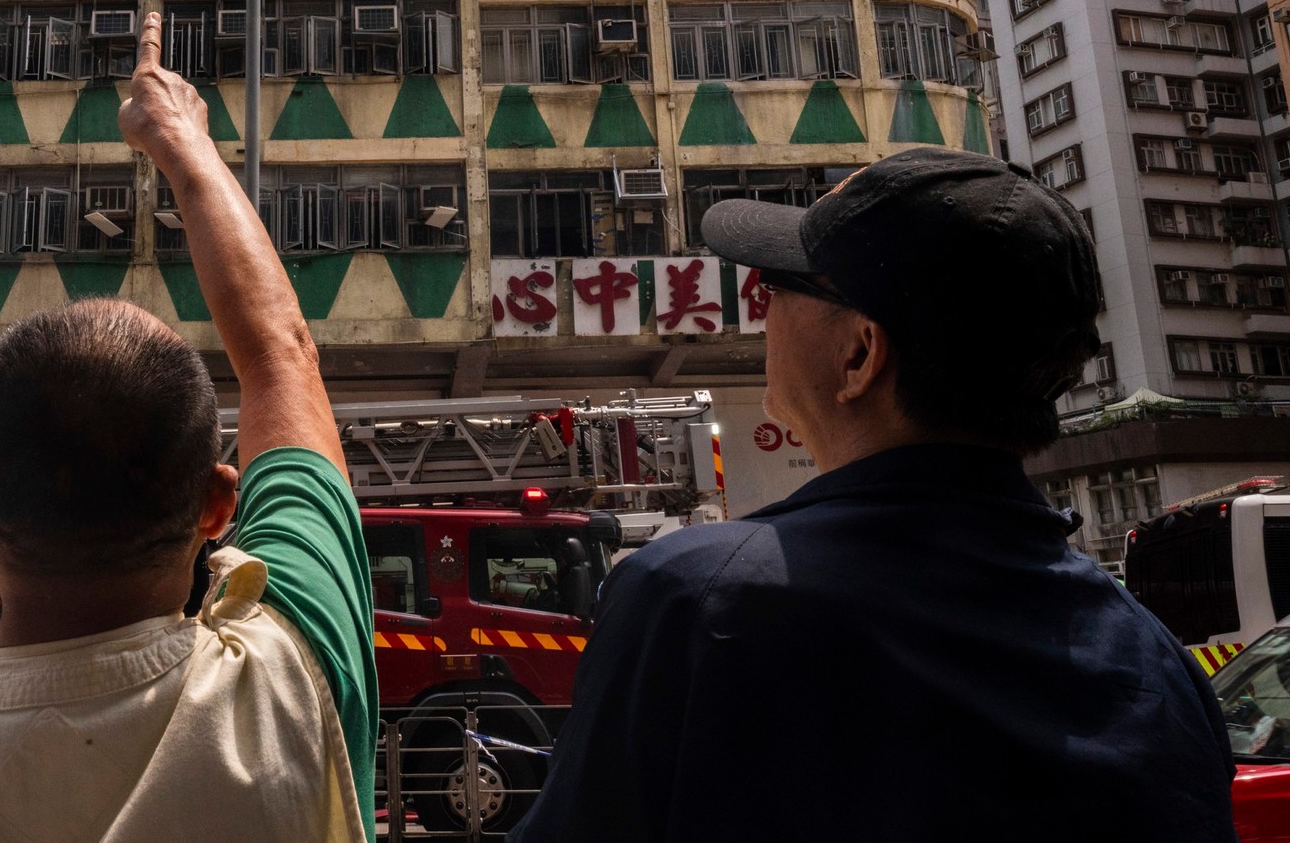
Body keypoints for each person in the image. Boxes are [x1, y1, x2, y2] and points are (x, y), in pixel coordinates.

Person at [511, 147, 1238, 842]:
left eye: (787, 279)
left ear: (860, 353)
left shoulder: (693, 603)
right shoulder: (1155, 661)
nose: (761, 295)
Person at [0, 13, 377, 843]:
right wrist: (180, 140)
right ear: (217, 505)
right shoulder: (285, 690)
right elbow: (283, 359)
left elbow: (282, 363)